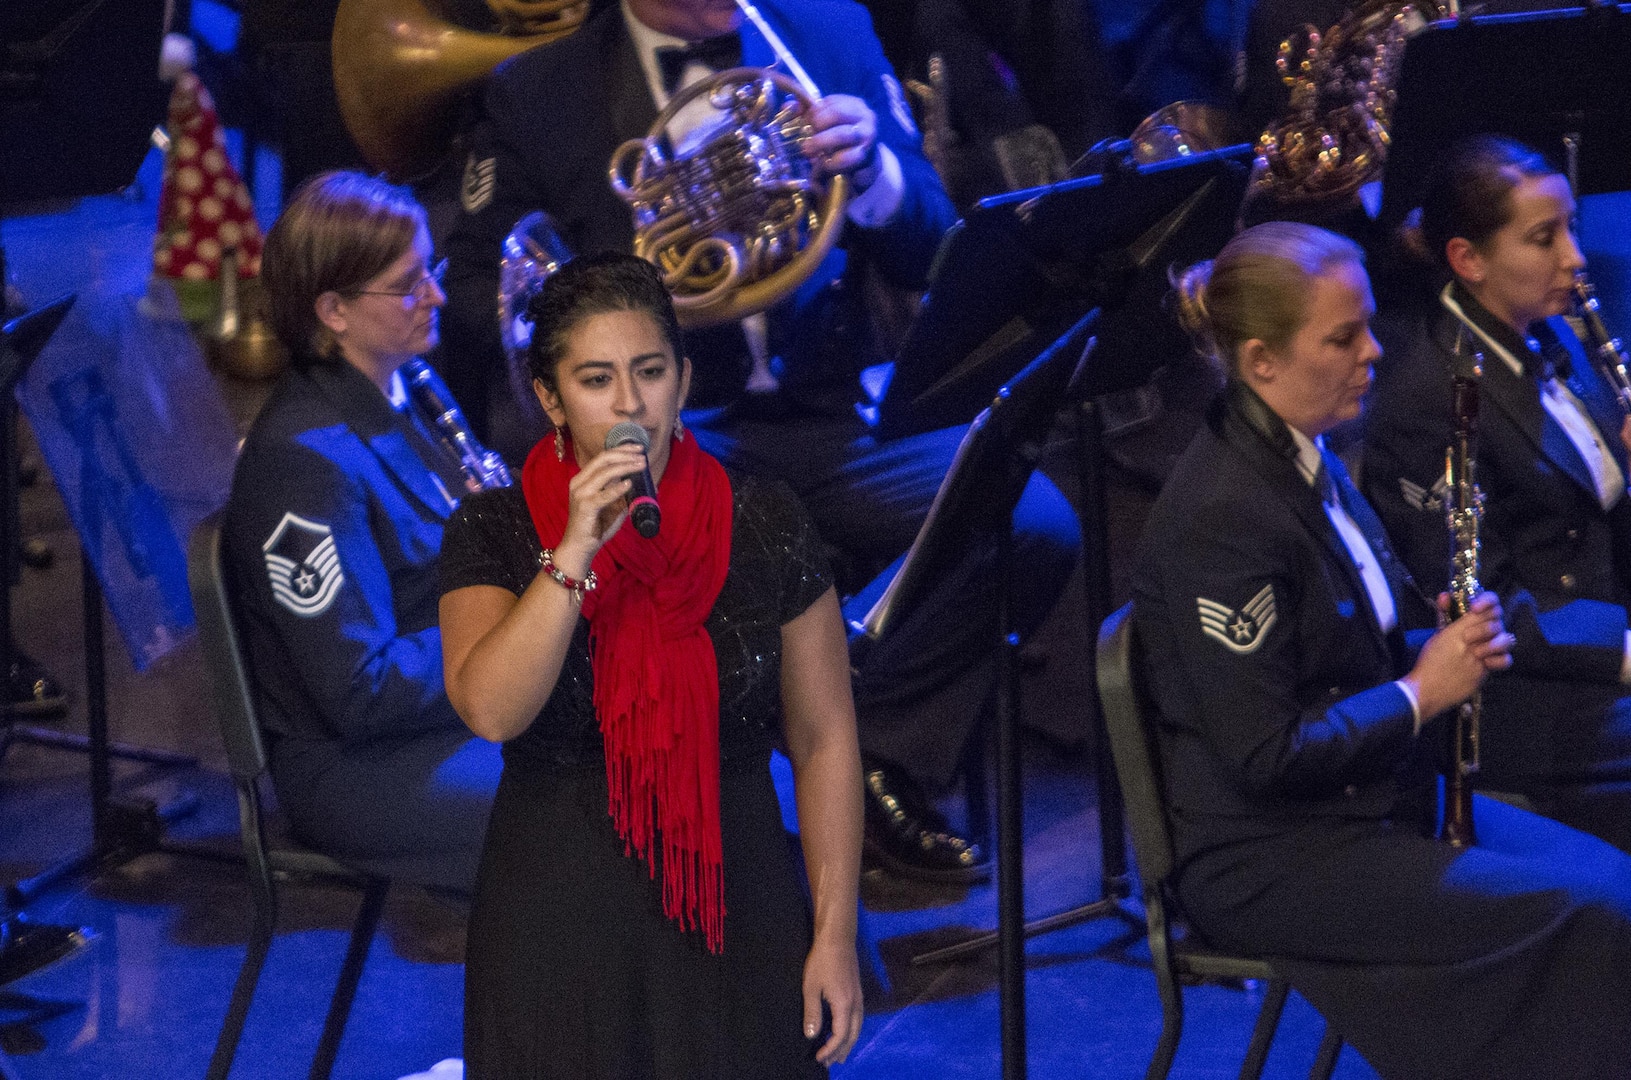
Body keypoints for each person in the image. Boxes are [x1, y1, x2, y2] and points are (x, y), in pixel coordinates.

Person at [441, 0, 1081, 882]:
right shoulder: (538, 89)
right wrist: (588, 301)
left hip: (836, 415)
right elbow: (478, 285)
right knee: (657, 562)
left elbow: (937, 245)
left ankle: (865, 746)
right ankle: (729, 818)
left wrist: (877, 179)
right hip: (670, 430)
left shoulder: (829, 30)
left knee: (1032, 520)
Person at [1133, 220, 1631, 1078]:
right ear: (1260, 361)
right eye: (1342, 337)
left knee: (1615, 890)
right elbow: (1265, 754)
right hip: (1271, 854)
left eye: (1367, 324)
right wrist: (1418, 690)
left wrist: (1434, 631)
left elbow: (1340, 636)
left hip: (1367, 799)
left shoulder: (1306, 454)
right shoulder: (1219, 520)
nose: (1373, 351)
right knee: (1593, 916)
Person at [439, 253, 862, 1077]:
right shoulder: (494, 530)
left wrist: (835, 932)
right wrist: (574, 550)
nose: (631, 404)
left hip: (736, 897)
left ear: (684, 379)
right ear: (550, 398)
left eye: (651, 372)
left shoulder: (764, 519)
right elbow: (491, 710)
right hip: (559, 910)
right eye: (597, 379)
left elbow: (822, 738)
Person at [222, 172, 502, 895]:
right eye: (409, 285)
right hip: (361, 772)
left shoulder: (409, 388)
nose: (435, 297)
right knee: (615, 791)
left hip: (450, 717)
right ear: (333, 311)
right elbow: (361, 690)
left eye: (430, 272)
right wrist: (517, 631)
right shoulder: (302, 463)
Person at [1362, 135, 1631, 852]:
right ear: (1467, 260)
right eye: (1543, 238)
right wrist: (1625, 650)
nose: (1574, 257)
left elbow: (1594, 502)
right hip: (1529, 683)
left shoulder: (1547, 329)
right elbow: (1484, 600)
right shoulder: (1431, 398)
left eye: (1569, 226)